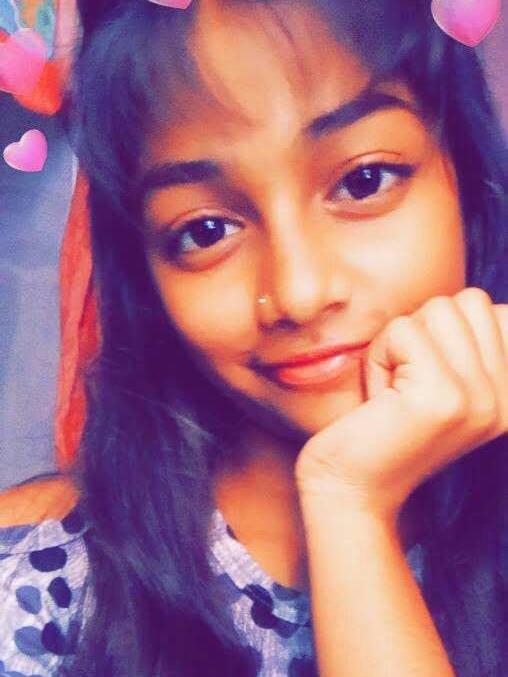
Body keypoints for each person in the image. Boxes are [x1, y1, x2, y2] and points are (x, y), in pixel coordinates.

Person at [0, 0, 507, 675]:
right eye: (206, 230)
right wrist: (349, 502)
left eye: (363, 181)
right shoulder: (39, 590)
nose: (298, 293)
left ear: (466, 181)